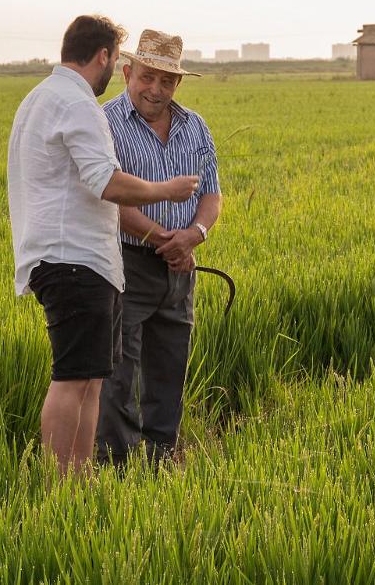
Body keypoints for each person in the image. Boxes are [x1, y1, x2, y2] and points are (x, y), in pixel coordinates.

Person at [7, 15, 198, 477]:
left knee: (91, 378)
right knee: (73, 380)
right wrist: (164, 191)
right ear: (106, 57)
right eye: (117, 60)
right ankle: (63, 482)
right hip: (74, 260)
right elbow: (105, 182)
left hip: (70, 258)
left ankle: (81, 475)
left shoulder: (39, 98)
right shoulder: (77, 104)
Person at [95, 29, 222, 466]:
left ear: (177, 84)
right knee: (118, 373)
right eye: (148, 77)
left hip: (181, 267)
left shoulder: (196, 126)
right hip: (127, 263)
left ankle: (161, 458)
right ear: (128, 73)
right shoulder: (104, 124)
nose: (156, 89)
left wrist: (194, 236)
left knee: (170, 369)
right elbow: (109, 194)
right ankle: (117, 466)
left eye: (166, 81)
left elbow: (212, 195)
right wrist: (161, 238)